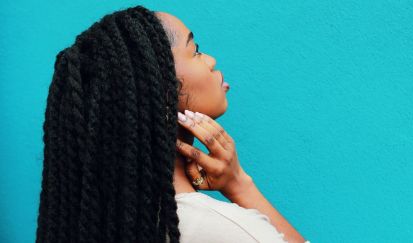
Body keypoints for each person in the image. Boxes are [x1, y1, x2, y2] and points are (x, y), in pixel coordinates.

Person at [36, 4, 309, 243]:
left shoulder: (95, 225)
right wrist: (240, 186)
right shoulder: (226, 232)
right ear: (163, 92)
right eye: (196, 50)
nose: (211, 61)